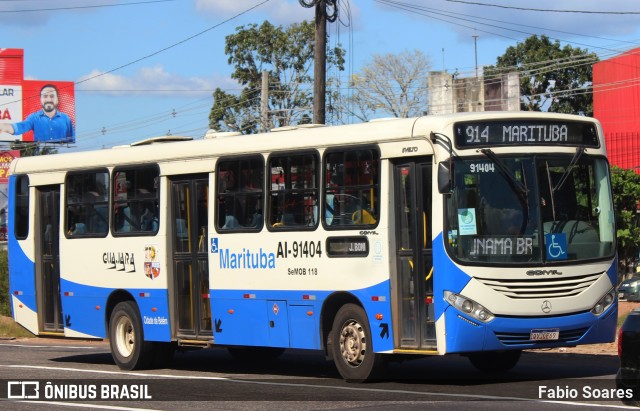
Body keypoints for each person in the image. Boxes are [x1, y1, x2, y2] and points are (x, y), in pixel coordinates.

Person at [0, 84, 74, 143]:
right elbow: (20, 127)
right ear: (40, 99)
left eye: (52, 96)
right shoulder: (34, 118)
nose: (48, 99)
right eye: (45, 96)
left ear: (57, 99)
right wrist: (4, 127)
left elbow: (72, 140)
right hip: (40, 155)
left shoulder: (66, 119)